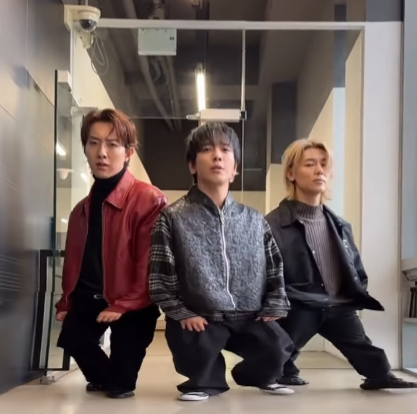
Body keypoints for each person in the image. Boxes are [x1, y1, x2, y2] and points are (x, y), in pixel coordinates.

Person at [150, 122, 294, 402]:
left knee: (279, 348)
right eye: (206, 149)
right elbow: (160, 279)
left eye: (225, 150)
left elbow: (275, 267)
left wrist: (275, 302)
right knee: (195, 349)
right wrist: (183, 313)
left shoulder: (255, 220)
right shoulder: (172, 217)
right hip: (201, 316)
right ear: (192, 165)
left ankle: (257, 376)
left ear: (235, 167)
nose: (217, 156)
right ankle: (205, 381)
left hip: (250, 314)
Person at [266, 138, 417, 391]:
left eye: (324, 164)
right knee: (277, 354)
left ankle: (380, 375)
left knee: (368, 353)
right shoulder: (272, 224)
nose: (319, 170)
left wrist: (356, 292)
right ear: (291, 174)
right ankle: (284, 368)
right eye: (310, 164)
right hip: (299, 303)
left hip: (338, 304)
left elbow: (354, 266)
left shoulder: (340, 225)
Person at [56, 109, 167, 399]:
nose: (101, 153)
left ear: (128, 152)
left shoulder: (149, 199)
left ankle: (116, 378)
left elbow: (149, 264)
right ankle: (107, 376)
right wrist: (68, 301)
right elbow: (74, 262)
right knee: (71, 337)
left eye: (112, 144)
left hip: (134, 303)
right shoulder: (80, 210)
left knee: (121, 387)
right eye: (93, 143)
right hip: (91, 299)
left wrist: (124, 304)